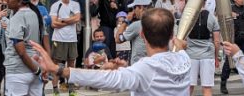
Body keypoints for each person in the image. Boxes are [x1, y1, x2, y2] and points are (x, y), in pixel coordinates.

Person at [30, 8, 191, 96]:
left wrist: (57, 69)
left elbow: (105, 79)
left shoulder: (145, 68)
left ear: (142, 35)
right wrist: (179, 44)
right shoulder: (184, 60)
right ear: (171, 35)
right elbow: (180, 48)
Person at [2, 0, 47, 96]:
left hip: (18, 70)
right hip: (36, 66)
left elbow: (21, 51)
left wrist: (36, 70)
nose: (7, 0)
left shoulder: (17, 17)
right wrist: (43, 67)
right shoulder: (36, 14)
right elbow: (46, 40)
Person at [220, 0, 244, 94]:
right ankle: (223, 83)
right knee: (229, 62)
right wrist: (231, 16)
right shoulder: (230, 9)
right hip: (234, 39)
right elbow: (222, 17)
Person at [49, 0, 81, 95]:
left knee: (71, 65)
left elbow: (77, 18)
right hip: (59, 39)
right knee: (57, 65)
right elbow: (53, 24)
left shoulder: (75, 4)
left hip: (72, 39)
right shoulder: (55, 5)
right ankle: (55, 90)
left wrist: (62, 20)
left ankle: (71, 90)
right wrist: (69, 20)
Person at [186, 5, 221, 96]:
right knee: (207, 87)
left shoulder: (187, 15)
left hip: (190, 55)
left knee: (189, 86)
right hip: (207, 55)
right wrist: (216, 58)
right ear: (204, 3)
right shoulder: (211, 17)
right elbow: (217, 41)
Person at [116, 0, 153, 64]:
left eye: (134, 8)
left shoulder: (137, 25)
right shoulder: (159, 22)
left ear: (141, 7)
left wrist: (126, 21)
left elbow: (118, 39)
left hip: (139, 65)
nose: (134, 11)